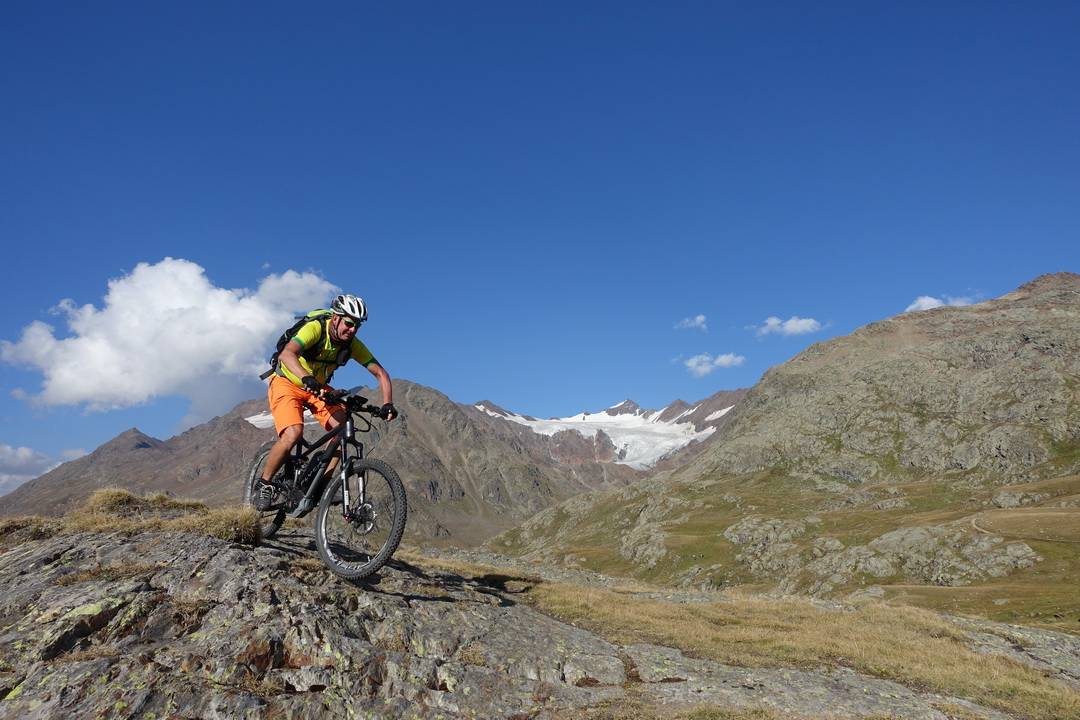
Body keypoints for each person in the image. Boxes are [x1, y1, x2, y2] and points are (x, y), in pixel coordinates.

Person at [254, 293, 397, 510]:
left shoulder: (352, 344)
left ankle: (322, 485)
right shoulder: (316, 329)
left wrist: (388, 403)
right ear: (336, 317)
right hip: (287, 382)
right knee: (293, 433)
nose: (352, 329)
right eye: (349, 323)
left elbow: (381, 374)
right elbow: (287, 354)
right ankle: (265, 484)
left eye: (357, 326)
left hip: (318, 389)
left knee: (343, 432)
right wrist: (305, 377)